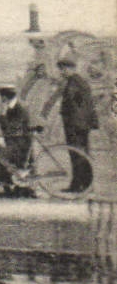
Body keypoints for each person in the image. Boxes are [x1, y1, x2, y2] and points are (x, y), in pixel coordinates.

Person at [48, 57, 99, 193]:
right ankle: (86, 185)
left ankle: (77, 185)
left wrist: (76, 123)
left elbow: (79, 105)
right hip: (80, 124)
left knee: (76, 154)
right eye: (61, 69)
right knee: (82, 154)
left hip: (75, 124)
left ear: (71, 69)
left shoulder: (74, 83)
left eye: (64, 69)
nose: (62, 72)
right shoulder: (77, 82)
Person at [0, 85, 33, 196]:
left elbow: (10, 127)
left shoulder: (19, 108)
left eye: (1, 98)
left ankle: (8, 185)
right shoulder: (13, 106)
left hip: (21, 144)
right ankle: (9, 185)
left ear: (4, 98)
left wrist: (3, 114)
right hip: (17, 140)